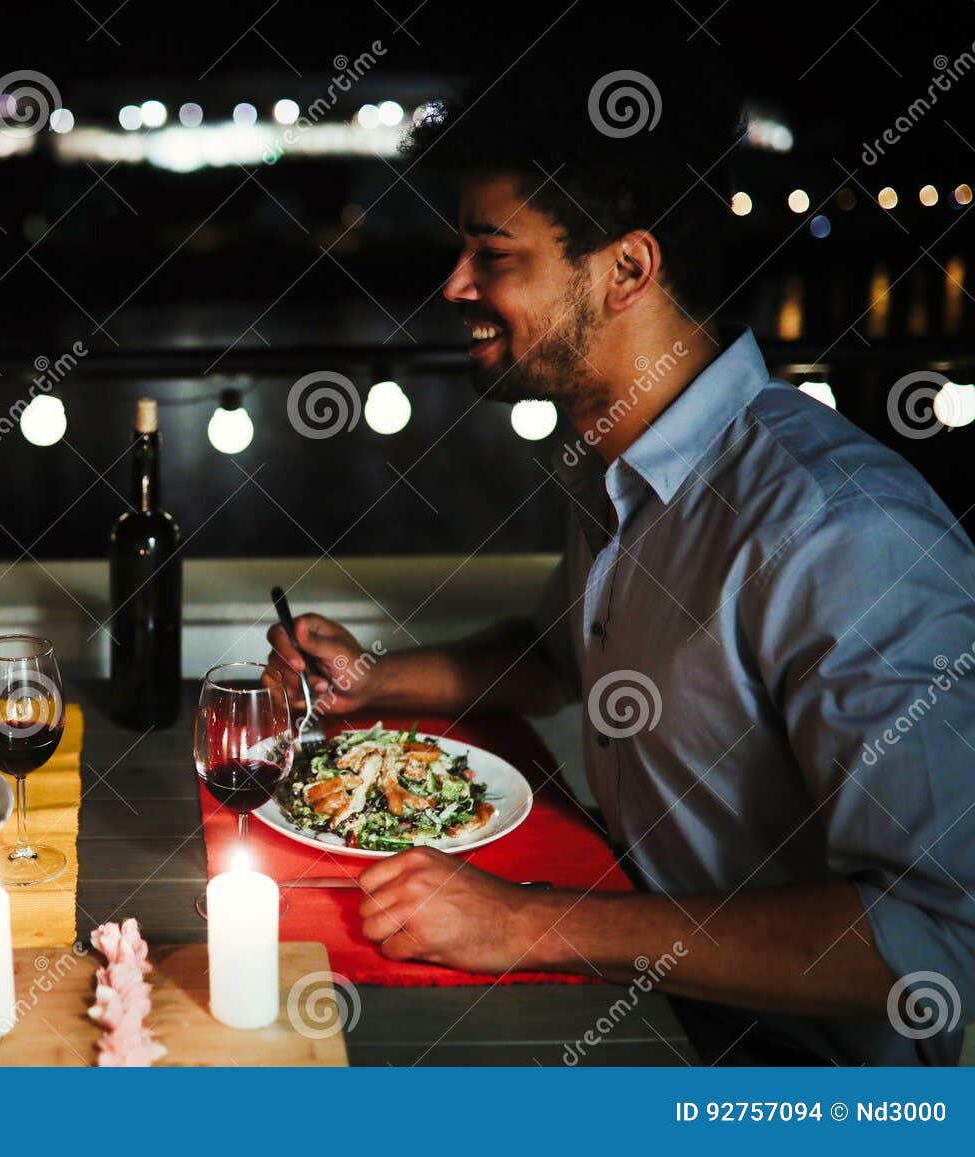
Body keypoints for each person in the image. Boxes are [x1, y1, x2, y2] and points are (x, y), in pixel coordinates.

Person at [267, 66, 975, 1065]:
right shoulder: (614, 449)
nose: (455, 285)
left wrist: (524, 921)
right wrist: (373, 679)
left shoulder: (841, 533)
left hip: (788, 1063)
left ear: (626, 271)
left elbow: (936, 939)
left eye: (492, 253)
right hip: (642, 979)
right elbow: (559, 655)